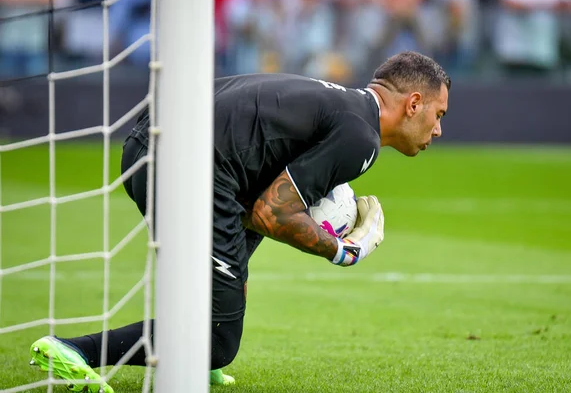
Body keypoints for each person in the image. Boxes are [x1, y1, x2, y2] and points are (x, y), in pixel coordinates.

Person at [27, 51, 450, 392]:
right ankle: (74, 350)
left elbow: (260, 201)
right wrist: (342, 251)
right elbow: (273, 213)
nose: (438, 130)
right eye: (439, 115)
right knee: (218, 341)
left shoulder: (336, 101)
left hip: (153, 145)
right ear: (414, 104)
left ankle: (200, 358)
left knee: (228, 271)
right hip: (188, 167)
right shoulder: (362, 137)